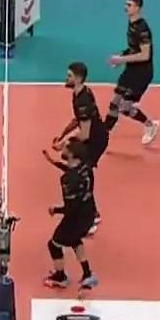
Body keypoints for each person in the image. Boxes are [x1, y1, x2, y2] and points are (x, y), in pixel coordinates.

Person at [54, 61, 111, 235]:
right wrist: (63, 134)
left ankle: (90, 218)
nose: (66, 78)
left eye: (69, 76)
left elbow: (85, 134)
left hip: (96, 140)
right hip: (93, 137)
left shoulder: (83, 100)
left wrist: (64, 144)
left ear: (78, 79)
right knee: (83, 171)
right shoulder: (80, 93)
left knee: (82, 174)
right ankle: (92, 213)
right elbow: (77, 120)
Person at [40, 140, 99, 290]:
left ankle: (60, 277)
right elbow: (72, 170)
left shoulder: (68, 181)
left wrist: (56, 210)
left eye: (65, 147)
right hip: (89, 214)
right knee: (74, 239)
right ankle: (87, 274)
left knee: (54, 244)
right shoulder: (86, 168)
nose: (62, 148)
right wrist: (54, 162)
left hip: (75, 218)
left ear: (72, 154)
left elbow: (71, 208)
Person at [104, 0, 160, 146]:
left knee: (125, 107)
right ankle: (103, 135)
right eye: (126, 4)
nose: (126, 7)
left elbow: (145, 55)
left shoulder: (142, 29)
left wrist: (121, 60)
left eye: (129, 5)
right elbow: (133, 48)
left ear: (137, 8)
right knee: (115, 103)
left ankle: (150, 125)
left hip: (142, 74)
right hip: (131, 69)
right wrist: (121, 57)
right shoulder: (131, 23)